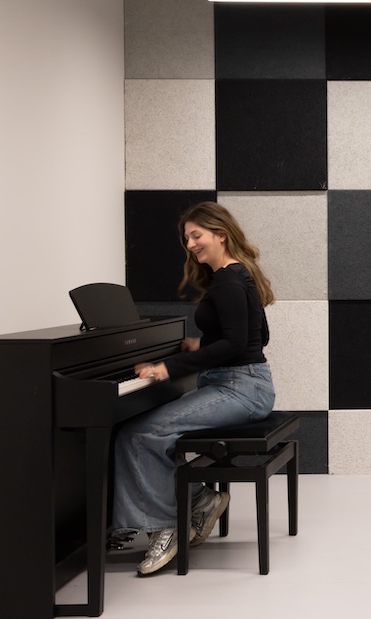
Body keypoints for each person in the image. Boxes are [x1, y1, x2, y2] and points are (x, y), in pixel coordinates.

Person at [110, 201, 276, 575]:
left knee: (139, 434)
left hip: (241, 388)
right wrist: (200, 346)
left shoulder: (230, 279)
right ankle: (199, 501)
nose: (190, 244)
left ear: (220, 233)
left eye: (196, 235)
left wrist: (166, 367)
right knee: (145, 433)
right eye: (186, 238)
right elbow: (257, 336)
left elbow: (236, 346)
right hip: (242, 382)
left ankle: (167, 526)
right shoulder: (237, 274)